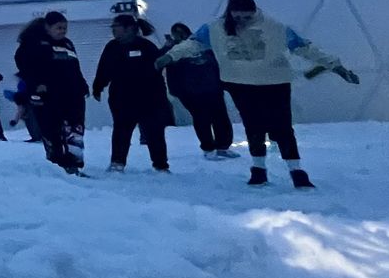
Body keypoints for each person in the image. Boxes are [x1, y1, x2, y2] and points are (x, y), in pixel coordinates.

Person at [158, 0, 358, 189]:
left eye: (248, 17)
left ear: (255, 12)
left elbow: (304, 47)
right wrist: (169, 56)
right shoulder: (215, 29)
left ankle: (296, 170)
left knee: (283, 127)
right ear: (230, 13)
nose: (243, 21)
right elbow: (192, 44)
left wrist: (336, 66)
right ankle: (258, 169)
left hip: (275, 83)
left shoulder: (274, 28)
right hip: (240, 84)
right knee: (253, 126)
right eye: (238, 17)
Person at [92, 16, 173, 173]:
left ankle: (160, 164)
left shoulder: (146, 46)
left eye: (116, 26)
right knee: (122, 130)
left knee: (154, 131)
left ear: (129, 28)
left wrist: (160, 98)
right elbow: (103, 69)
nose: (113, 30)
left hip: (148, 98)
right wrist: (98, 86)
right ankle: (117, 162)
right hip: (121, 98)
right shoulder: (112, 47)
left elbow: (157, 69)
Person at [15, 11, 90, 176]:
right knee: (52, 130)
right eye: (59, 28)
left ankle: (74, 163)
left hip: (72, 94)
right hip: (48, 96)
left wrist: (82, 84)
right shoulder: (34, 44)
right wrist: (36, 83)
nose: (63, 31)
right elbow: (24, 65)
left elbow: (74, 67)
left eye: (65, 28)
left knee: (74, 130)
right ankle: (58, 165)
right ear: (47, 27)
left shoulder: (68, 44)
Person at [160, 23, 235, 159]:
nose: (180, 35)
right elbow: (159, 60)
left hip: (212, 87)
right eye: (176, 33)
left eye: (182, 32)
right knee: (202, 117)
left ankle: (223, 146)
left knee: (221, 117)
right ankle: (208, 148)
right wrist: (166, 47)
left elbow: (217, 63)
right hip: (189, 91)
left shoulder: (203, 46)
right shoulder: (173, 50)